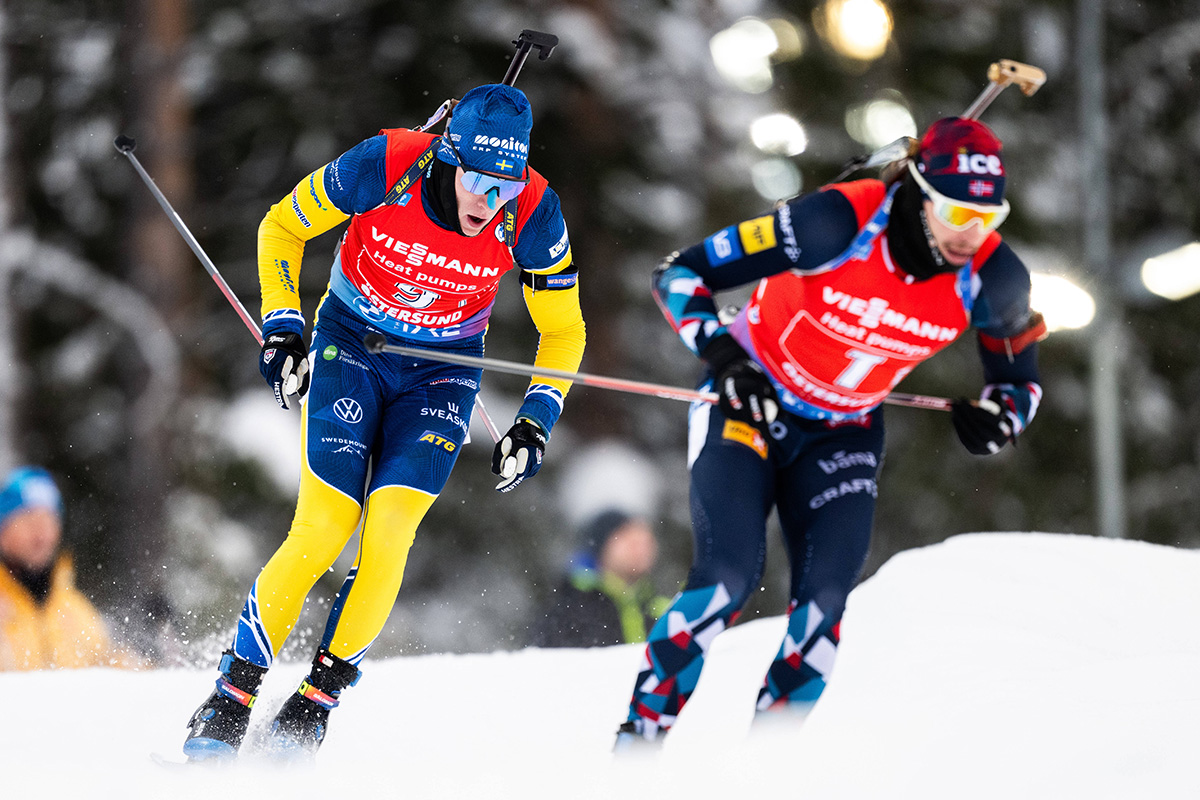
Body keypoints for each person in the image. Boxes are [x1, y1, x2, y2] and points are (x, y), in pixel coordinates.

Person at [183, 83, 585, 760]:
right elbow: (281, 225)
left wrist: (536, 419)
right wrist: (283, 324)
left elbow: (563, 330)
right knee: (324, 527)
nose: (490, 206)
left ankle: (314, 704)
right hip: (350, 347)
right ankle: (230, 696)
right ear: (448, 159)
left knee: (391, 530)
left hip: (443, 368)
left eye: (505, 190)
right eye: (480, 184)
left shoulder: (536, 210)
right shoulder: (389, 164)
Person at [614, 117, 1045, 747]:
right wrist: (726, 359)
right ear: (918, 190)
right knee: (726, 581)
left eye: (988, 218)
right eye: (956, 214)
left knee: (822, 609)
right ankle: (636, 751)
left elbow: (1019, 385)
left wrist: (997, 420)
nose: (971, 234)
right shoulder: (835, 223)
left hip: (844, 431)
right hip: (750, 405)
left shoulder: (994, 278)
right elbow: (679, 275)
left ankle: (771, 772)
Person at [0, 467, 132, 671]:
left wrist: (157, 651)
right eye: (27, 519)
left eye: (48, 519)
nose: (40, 531)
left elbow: (114, 674)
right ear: (3, 531)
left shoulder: (76, 608)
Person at [529, 509, 670, 648]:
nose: (640, 548)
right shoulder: (571, 609)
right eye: (627, 538)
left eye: (645, 541)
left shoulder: (663, 606)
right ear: (603, 545)